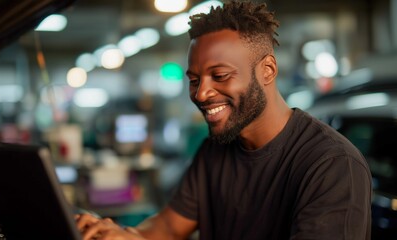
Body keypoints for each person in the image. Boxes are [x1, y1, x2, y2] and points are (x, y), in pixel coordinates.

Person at [76, 1, 372, 239]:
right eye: (194, 80)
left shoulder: (332, 165)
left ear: (267, 70)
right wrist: (125, 234)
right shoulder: (214, 151)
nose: (202, 93)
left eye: (220, 76)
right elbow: (167, 227)